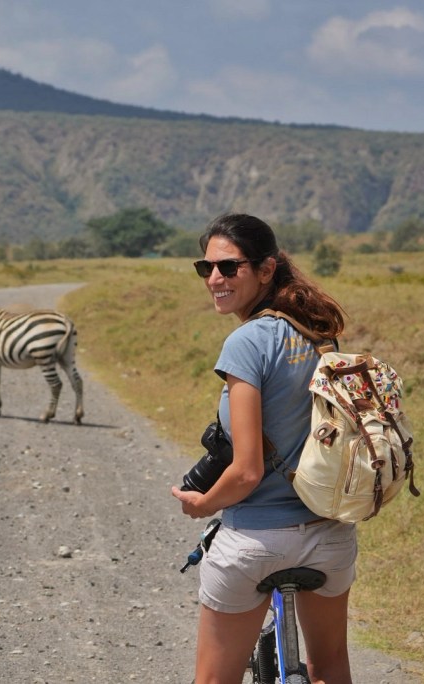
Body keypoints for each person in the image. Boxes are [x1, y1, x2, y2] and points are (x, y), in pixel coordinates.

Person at [171, 213, 356, 684]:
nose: (215, 279)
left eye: (229, 268)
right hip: (329, 536)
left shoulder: (246, 343)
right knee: (330, 666)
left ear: (266, 269)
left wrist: (203, 505)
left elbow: (247, 471)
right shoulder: (318, 332)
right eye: (206, 268)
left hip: (255, 542)